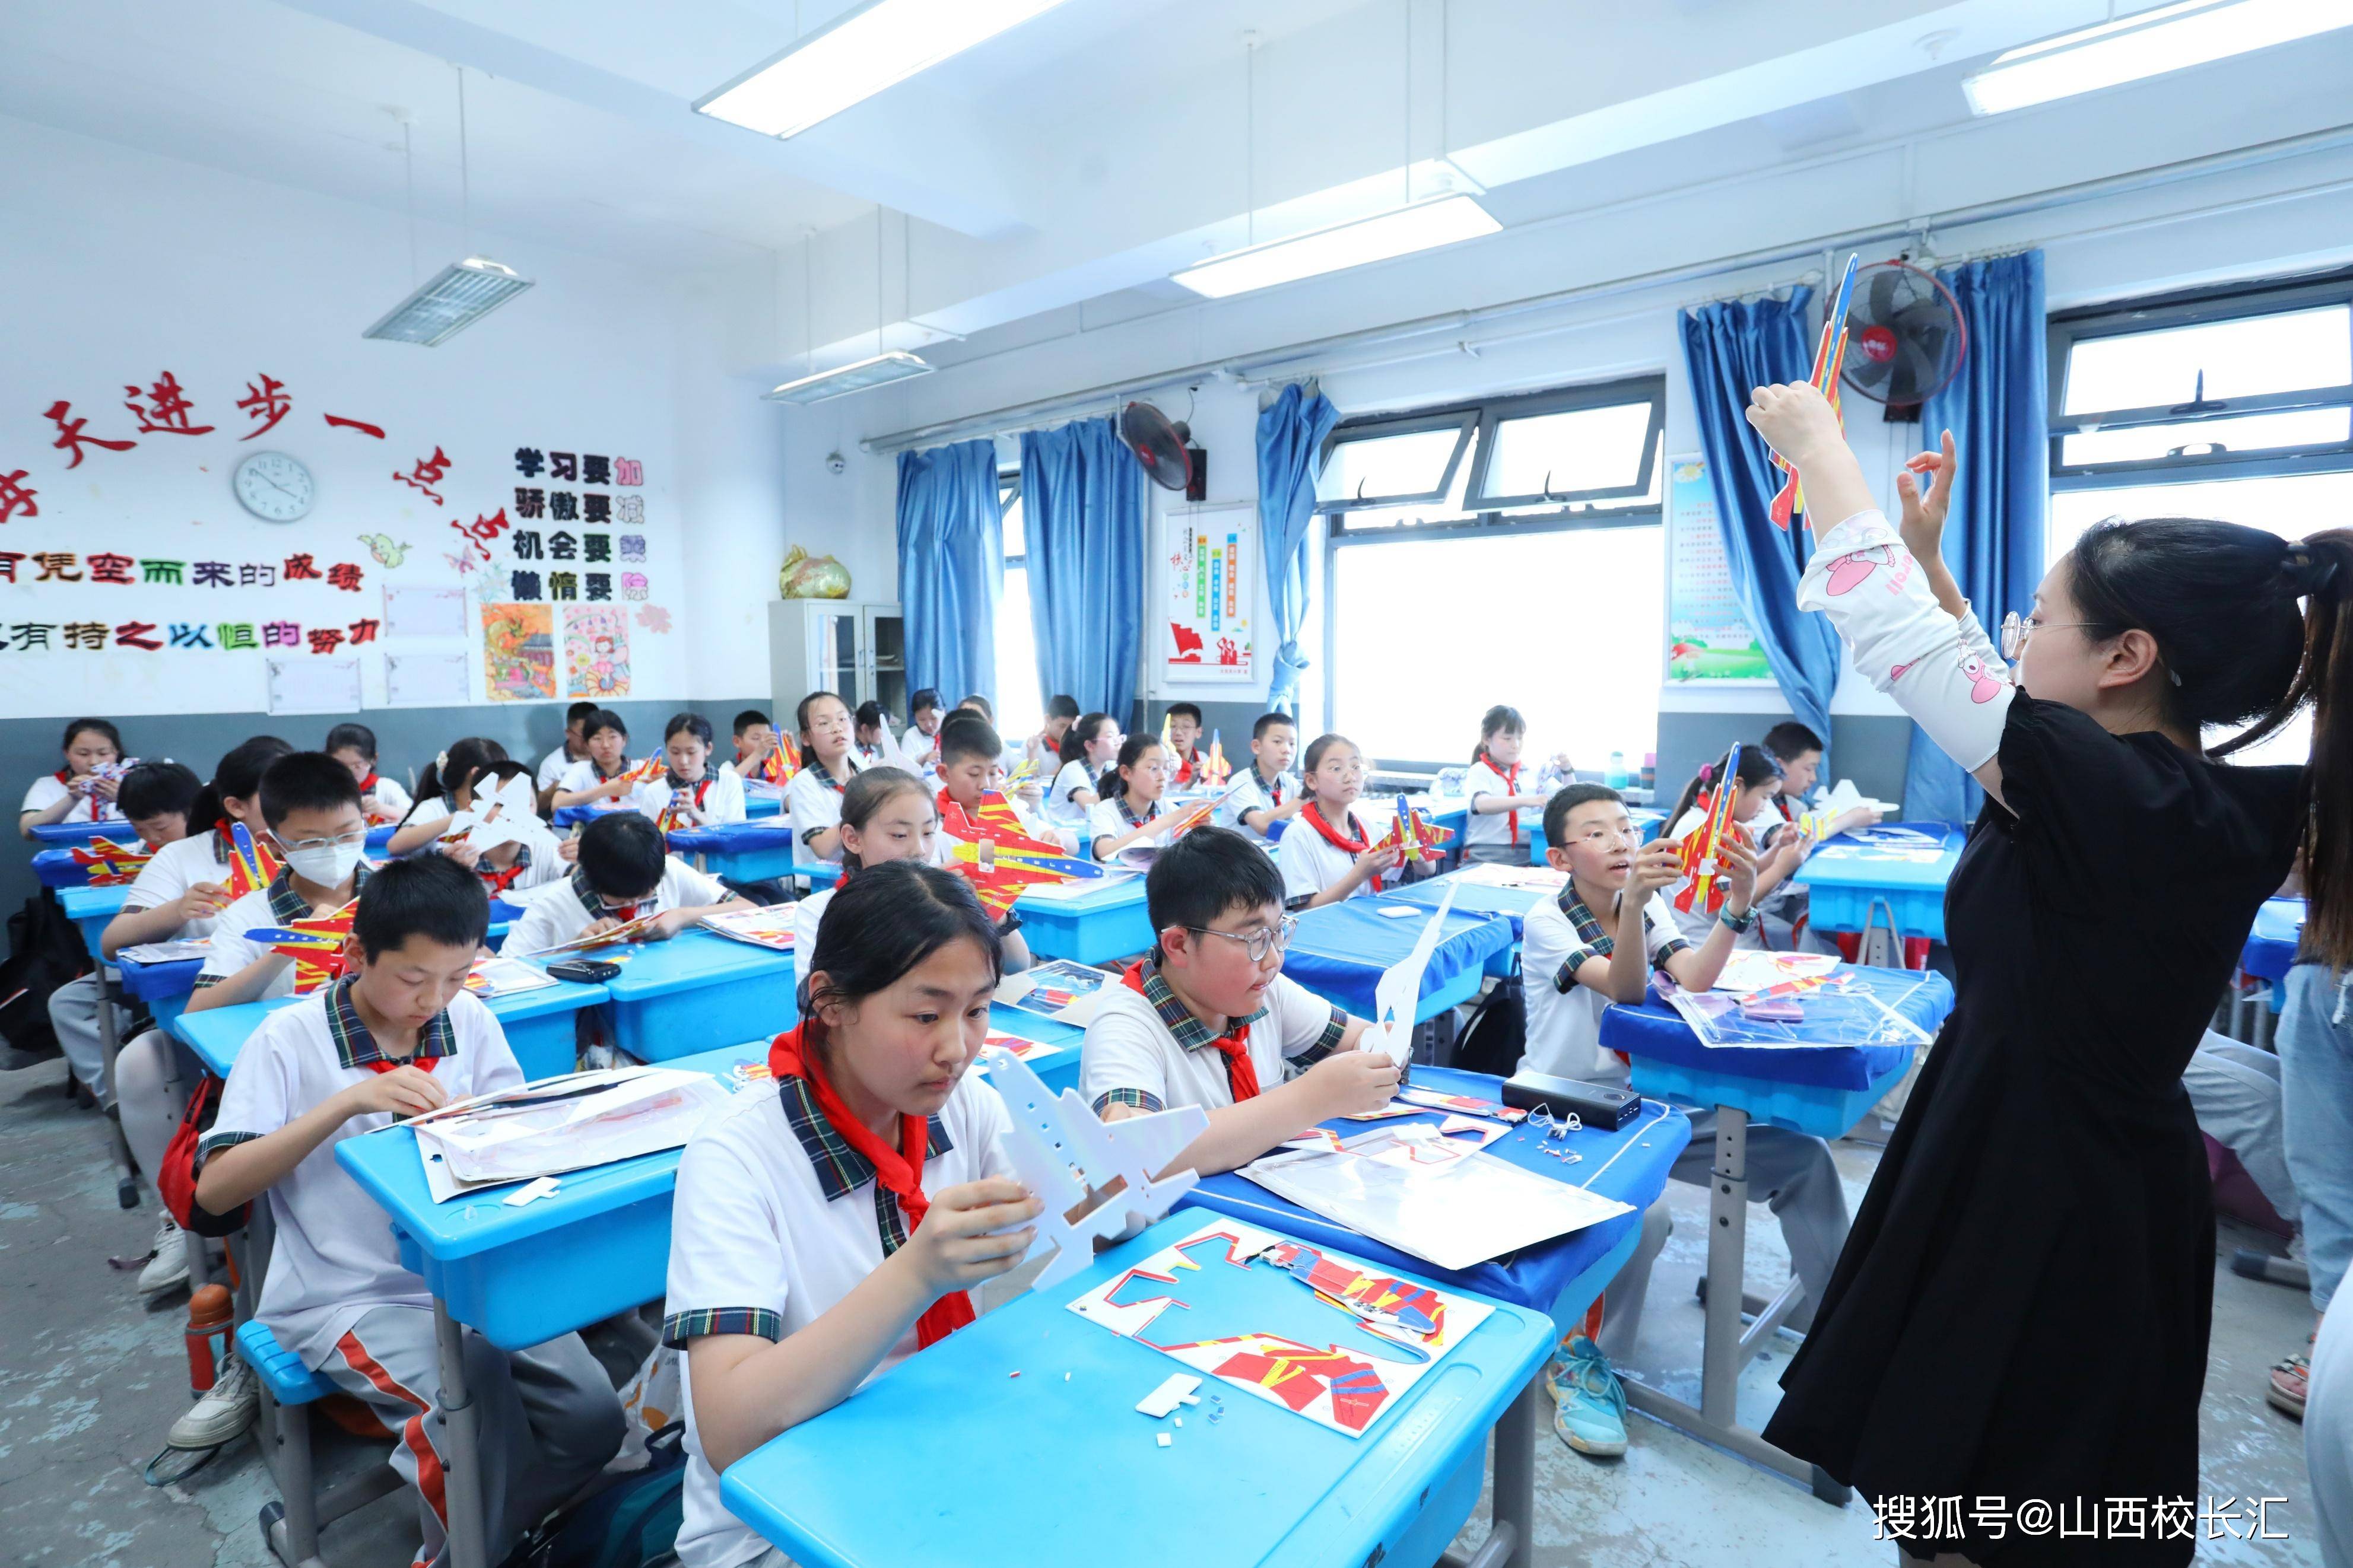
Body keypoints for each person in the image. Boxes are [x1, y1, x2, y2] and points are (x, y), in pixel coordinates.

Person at [1743, 384, 2347, 1564]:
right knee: (2001, 1492)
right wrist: (1930, 562)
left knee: (1975, 1499)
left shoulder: (2095, 789)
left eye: (2036, 620)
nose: (2014, 641)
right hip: (2077, 1161)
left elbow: (1918, 652)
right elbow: (1980, 684)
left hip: (2033, 1185)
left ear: (2125, 655)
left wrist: (1818, 443)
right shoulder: (2198, 799)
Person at [194, 855, 624, 1567]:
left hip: (469, 1275)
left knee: (592, 1422)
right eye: (413, 978)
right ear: (358, 954)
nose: (434, 999)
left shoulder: (468, 1017)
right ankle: (462, 1548)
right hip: (351, 1295)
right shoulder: (289, 1038)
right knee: (464, 1417)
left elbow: (512, 1131)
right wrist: (345, 1103)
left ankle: (492, 1528)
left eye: (456, 978)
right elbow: (216, 1191)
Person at [662, 861, 1042, 1568]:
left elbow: (1051, 1245)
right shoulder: (734, 1156)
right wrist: (917, 1274)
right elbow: (731, 1428)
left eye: (977, 1010)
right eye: (926, 1015)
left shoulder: (967, 1105)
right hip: (782, 1522)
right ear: (829, 1003)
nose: (956, 1049)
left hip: (943, 1442)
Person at [1514, 785, 1847, 1462]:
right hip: (1567, 1112)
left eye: (1623, 828)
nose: (1617, 841)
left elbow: (1692, 977)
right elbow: (1628, 991)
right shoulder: (1548, 921)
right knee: (1647, 1220)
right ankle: (1582, 1365)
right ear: (1559, 856)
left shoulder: (1650, 902)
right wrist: (1634, 907)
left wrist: (1736, 901)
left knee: (1802, 1161)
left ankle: (1841, 1325)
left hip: (1652, 1103)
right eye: (1596, 833)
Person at [1081, 826, 1393, 1174]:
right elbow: (1132, 1151)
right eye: (1255, 937)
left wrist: (1383, 1048)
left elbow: (1356, 1039)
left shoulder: (1263, 990)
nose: (1274, 959)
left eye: (1278, 932)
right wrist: (1310, 1099)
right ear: (1179, 946)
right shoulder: (1126, 1026)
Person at [107, 736, 292, 1298]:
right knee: (140, 1063)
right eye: (279, 795)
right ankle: (176, 1218)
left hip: (301, 1021)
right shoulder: (184, 857)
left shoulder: (311, 847)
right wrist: (176, 910)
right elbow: (115, 939)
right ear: (235, 805)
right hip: (205, 1025)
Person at [46, 760, 200, 1107]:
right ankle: (118, 1099)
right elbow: (108, 943)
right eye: (139, 828)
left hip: (194, 972)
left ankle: (177, 1100)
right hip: (141, 963)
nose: (152, 838)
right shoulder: (135, 856)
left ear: (192, 811)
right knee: (67, 1002)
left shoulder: (209, 855)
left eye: (160, 827)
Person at [185, 753, 373, 1014]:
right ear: (275, 844)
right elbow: (198, 1011)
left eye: (348, 834)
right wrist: (290, 946)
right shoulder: (249, 916)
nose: (334, 850)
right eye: (311, 842)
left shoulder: (400, 894)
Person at [506, 812, 738, 956]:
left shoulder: (667, 871)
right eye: (621, 898)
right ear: (590, 876)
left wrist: (682, 916)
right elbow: (506, 968)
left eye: (644, 895)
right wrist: (574, 949)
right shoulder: (554, 903)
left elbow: (746, 909)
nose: (634, 903)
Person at [1659, 747, 1811, 947]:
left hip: (1727, 944)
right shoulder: (1707, 831)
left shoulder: (1717, 823)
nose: (1765, 807)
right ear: (1737, 786)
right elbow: (1726, 906)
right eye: (1765, 797)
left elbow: (1741, 874)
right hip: (1712, 951)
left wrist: (1778, 849)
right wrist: (1781, 868)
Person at [1278, 733, 1403, 909]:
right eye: (1336, 768)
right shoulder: (1298, 835)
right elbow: (1303, 910)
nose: (1350, 776)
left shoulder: (1367, 828)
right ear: (1312, 781)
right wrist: (1359, 875)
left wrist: (1420, 855)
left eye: (1355, 767)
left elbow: (1423, 868)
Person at [1462, 705, 1558, 867]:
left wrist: (1567, 771)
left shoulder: (1531, 773)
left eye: (1520, 738)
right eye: (1507, 739)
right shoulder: (1480, 770)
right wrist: (1527, 800)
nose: (1516, 745)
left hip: (1527, 858)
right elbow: (1482, 804)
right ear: (1486, 739)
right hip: (1485, 857)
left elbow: (1567, 796)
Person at [387, 738, 513, 855]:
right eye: (501, 775)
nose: (507, 782)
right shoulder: (435, 808)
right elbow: (395, 846)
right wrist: (463, 816)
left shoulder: (500, 809)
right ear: (476, 774)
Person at [786, 692, 866, 864]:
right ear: (806, 738)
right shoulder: (804, 782)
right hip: (822, 883)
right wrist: (865, 806)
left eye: (843, 719)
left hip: (866, 876)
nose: (837, 728)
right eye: (823, 723)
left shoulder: (866, 774)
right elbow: (823, 849)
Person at [21, 717, 128, 836]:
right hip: (67, 852)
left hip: (131, 853)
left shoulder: (136, 782)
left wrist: (124, 800)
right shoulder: (48, 785)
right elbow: (27, 831)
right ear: (67, 754)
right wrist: (72, 799)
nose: (94, 762)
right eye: (83, 754)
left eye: (103, 753)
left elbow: (152, 827)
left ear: (116, 753)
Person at [1087, 734, 1178, 864]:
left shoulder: (1166, 806)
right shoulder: (1106, 811)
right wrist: (1167, 821)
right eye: (1153, 768)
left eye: (1166, 768)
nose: (1162, 776)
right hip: (1116, 884)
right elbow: (1105, 853)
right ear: (1126, 773)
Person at [652, 713, 747, 828]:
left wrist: (696, 815)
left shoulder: (729, 782)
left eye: (691, 752)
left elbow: (735, 837)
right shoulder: (653, 792)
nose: (683, 761)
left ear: (708, 749)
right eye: (675, 752)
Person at [551, 711, 646, 810]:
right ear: (587, 744)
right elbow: (557, 804)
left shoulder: (642, 768)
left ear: (624, 740)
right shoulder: (580, 770)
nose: (606, 745)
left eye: (612, 737)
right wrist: (604, 790)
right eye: (597, 739)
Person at [1228, 712, 1304, 837]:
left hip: (1274, 853)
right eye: (1278, 742)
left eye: (1292, 744)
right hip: (1240, 854)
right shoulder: (1240, 783)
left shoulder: (1288, 781)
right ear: (1257, 747)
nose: (1287, 750)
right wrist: (1305, 798)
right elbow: (1263, 827)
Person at [326, 722, 411, 825]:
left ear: (373, 760)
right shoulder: (322, 790)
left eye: (357, 765)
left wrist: (380, 808)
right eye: (340, 765)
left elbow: (416, 816)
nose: (347, 772)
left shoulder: (387, 788)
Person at [535, 701, 601, 812]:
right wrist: (555, 789)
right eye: (583, 733)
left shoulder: (607, 755)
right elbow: (538, 806)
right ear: (568, 733)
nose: (589, 739)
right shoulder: (552, 764)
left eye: (594, 733)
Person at [1050, 714, 1120, 812]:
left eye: (1118, 735)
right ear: (1090, 746)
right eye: (1110, 736)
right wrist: (1119, 780)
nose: (1118, 742)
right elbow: (1088, 806)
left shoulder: (1110, 766)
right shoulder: (1073, 769)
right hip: (1062, 827)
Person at [1026, 695, 1081, 773]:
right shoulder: (1032, 746)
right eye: (1062, 726)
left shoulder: (1076, 745)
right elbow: (1028, 780)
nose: (1066, 732)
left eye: (1070, 727)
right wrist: (1032, 751)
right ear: (1048, 719)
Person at [1161, 702, 1205, 787]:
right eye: (1173, 726)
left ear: (1198, 732)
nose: (1178, 733)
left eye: (1186, 727)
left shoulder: (1203, 760)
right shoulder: (1161, 764)